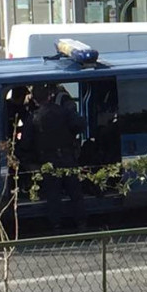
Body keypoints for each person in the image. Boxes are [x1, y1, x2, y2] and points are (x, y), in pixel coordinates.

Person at [26, 82, 87, 232]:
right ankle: (82, 225)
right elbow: (80, 125)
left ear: (34, 100)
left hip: (48, 162)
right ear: (50, 96)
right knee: (75, 193)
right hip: (67, 157)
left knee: (53, 196)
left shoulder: (33, 119)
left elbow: (25, 144)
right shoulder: (63, 112)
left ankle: (56, 228)